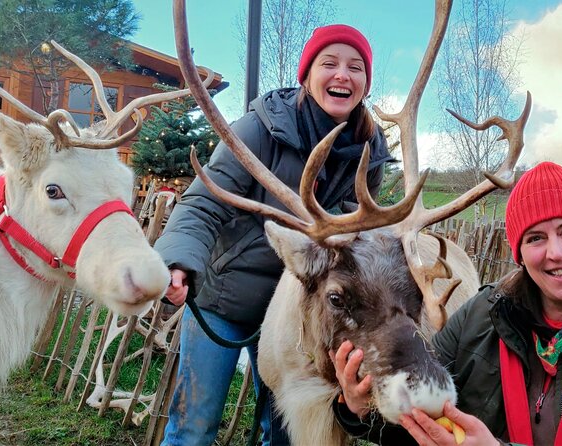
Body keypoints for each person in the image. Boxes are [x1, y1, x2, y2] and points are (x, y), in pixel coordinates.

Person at [332, 161, 562, 445]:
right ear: (519, 253)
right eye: (536, 237)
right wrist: (363, 411)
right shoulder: (480, 316)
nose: (556, 252)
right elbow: (422, 425)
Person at [155, 24, 391, 446]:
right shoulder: (259, 129)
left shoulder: (369, 149)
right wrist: (178, 260)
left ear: (365, 84)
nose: (343, 75)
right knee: (194, 424)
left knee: (285, 433)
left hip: (299, 317)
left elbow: (364, 242)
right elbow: (204, 201)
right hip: (225, 300)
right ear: (307, 74)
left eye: (356, 68)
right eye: (329, 63)